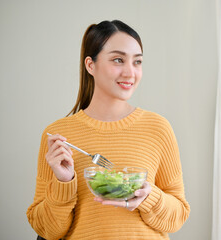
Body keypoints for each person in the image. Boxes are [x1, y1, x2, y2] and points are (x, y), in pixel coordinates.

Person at [27, 20, 190, 240]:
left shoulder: (158, 128)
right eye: (118, 60)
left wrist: (149, 196)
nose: (130, 72)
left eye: (137, 62)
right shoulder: (59, 136)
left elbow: (178, 215)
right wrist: (63, 183)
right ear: (90, 65)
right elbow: (46, 229)